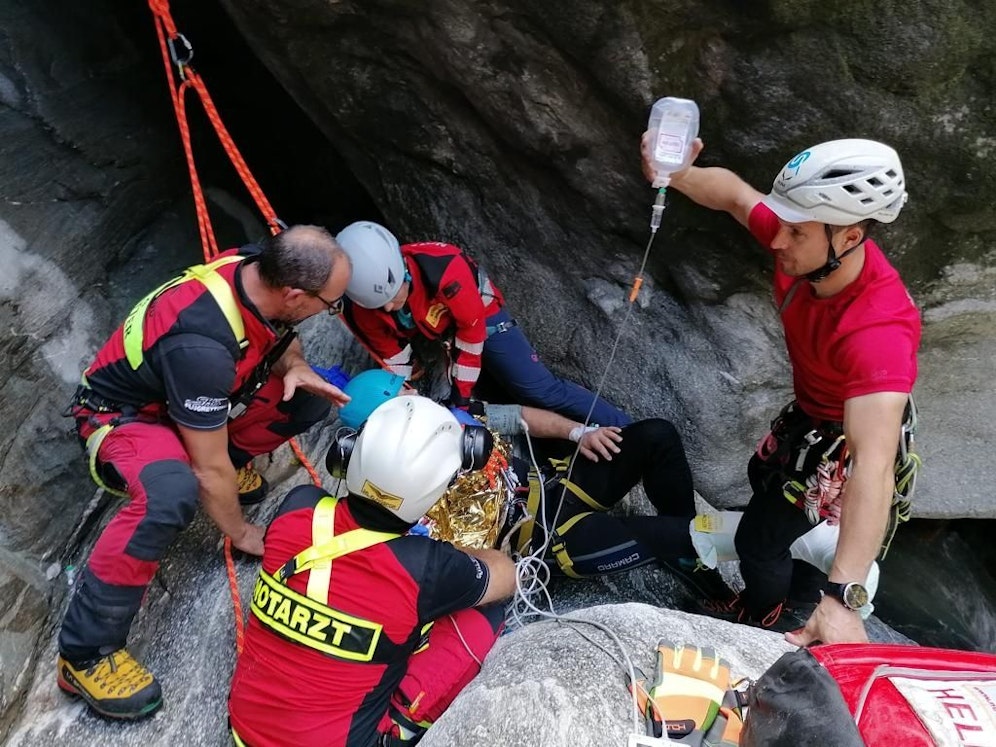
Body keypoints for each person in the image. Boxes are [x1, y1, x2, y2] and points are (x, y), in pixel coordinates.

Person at [58, 225, 352, 720]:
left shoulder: (256, 263)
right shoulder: (201, 345)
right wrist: (239, 531)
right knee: (171, 491)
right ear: (295, 294)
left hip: (183, 399)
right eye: (331, 303)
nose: (332, 310)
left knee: (304, 399)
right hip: (124, 416)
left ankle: (216, 451)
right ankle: (84, 654)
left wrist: (295, 364)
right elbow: (207, 467)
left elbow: (282, 337)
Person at [641, 134, 921, 644]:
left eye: (794, 233)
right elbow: (734, 196)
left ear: (850, 239)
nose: (775, 241)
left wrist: (843, 600)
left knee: (757, 541)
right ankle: (801, 583)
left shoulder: (877, 332)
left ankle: (763, 609)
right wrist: (678, 174)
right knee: (761, 477)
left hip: (841, 435)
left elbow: (873, 467)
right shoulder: (812, 239)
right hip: (813, 413)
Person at [228, 396, 516, 746]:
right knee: (484, 619)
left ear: (347, 455)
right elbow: (505, 575)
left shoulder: (298, 506)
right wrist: (453, 555)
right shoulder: (427, 567)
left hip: (245, 727)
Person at [338, 369, 732, 598]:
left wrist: (578, 433)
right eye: (405, 392)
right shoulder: (397, 492)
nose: (414, 393)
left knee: (656, 435)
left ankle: (689, 555)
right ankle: (752, 543)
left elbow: (518, 417)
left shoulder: (455, 416)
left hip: (555, 484)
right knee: (675, 532)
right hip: (548, 541)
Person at [334, 220, 631, 427]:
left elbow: (472, 330)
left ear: (402, 269)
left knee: (538, 389)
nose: (387, 307)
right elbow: (395, 363)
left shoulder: (442, 266)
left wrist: (462, 393)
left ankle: (624, 427)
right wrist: (406, 398)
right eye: (378, 304)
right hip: (436, 332)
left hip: (481, 317)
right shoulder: (360, 308)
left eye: (393, 295)